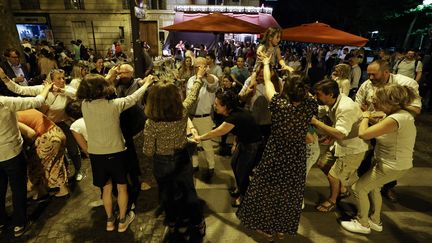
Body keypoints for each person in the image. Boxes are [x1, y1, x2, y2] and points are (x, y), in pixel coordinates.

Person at [237, 53, 318, 240]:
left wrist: (266, 63)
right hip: (296, 156)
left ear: (287, 88)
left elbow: (268, 80)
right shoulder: (310, 105)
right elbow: (307, 90)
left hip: (275, 155)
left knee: (267, 192)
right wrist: (291, 71)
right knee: (289, 194)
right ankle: (282, 228)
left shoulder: (279, 104)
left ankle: (265, 227)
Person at [76, 73, 152, 232]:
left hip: (96, 154)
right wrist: (146, 85)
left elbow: (87, 89)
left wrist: (107, 76)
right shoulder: (115, 104)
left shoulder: (84, 105)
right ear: (104, 88)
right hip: (117, 152)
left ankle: (110, 221)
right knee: (122, 187)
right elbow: (133, 97)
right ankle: (123, 221)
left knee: (106, 189)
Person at [340, 84, 418, 234]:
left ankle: (362, 224)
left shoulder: (396, 118)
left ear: (390, 101)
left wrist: (366, 116)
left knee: (359, 188)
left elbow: (364, 134)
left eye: (376, 100)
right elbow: (386, 131)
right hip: (394, 163)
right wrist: (374, 119)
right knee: (374, 188)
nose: (373, 102)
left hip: (391, 165)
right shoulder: (403, 115)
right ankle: (375, 221)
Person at [143, 69, 206, 240]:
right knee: (188, 192)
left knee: (167, 194)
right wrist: (199, 78)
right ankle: (195, 223)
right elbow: (192, 96)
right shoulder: (183, 112)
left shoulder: (151, 122)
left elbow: (148, 150)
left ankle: (173, 224)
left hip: (161, 162)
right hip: (181, 158)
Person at [355, 60, 421, 202]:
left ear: (386, 72)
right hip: (372, 126)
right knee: (369, 162)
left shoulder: (406, 83)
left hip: (394, 130)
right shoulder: (367, 84)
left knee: (390, 163)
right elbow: (359, 105)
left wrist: (388, 114)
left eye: (374, 74)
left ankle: (385, 187)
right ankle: (368, 188)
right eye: (369, 74)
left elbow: (415, 109)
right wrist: (372, 117)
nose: (370, 78)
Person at [0, 73, 52, 237]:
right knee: (18, 188)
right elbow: (36, 101)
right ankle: (20, 223)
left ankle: (1, 222)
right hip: (11, 152)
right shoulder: (4, 102)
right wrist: (46, 89)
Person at [195, 90, 263, 207]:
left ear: (226, 106)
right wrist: (235, 143)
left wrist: (200, 138)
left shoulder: (234, 117)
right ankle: (239, 188)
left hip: (252, 145)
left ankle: (244, 197)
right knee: (234, 163)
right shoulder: (233, 112)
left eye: (217, 104)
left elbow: (217, 132)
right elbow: (241, 128)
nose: (214, 106)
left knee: (242, 172)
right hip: (244, 142)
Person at [312, 79, 369, 212]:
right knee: (322, 164)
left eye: (318, 95)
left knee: (334, 175)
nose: (316, 97)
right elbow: (322, 110)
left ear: (330, 94)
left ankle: (332, 200)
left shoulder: (345, 107)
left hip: (353, 148)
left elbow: (341, 133)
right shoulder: (333, 101)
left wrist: (316, 123)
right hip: (341, 144)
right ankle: (342, 190)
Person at [17, 109, 69, 199]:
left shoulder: (13, 118)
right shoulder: (22, 109)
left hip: (47, 138)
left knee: (37, 165)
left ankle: (33, 190)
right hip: (56, 132)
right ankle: (47, 191)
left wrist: (28, 145)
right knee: (55, 164)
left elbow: (31, 133)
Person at [186, 57, 219, 182]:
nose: (199, 69)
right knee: (192, 144)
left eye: (202, 66)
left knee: (206, 144)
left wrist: (204, 75)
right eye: (197, 66)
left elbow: (213, 83)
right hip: (191, 116)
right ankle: (195, 165)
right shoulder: (190, 80)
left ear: (207, 66)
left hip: (204, 117)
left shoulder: (211, 78)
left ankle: (211, 167)